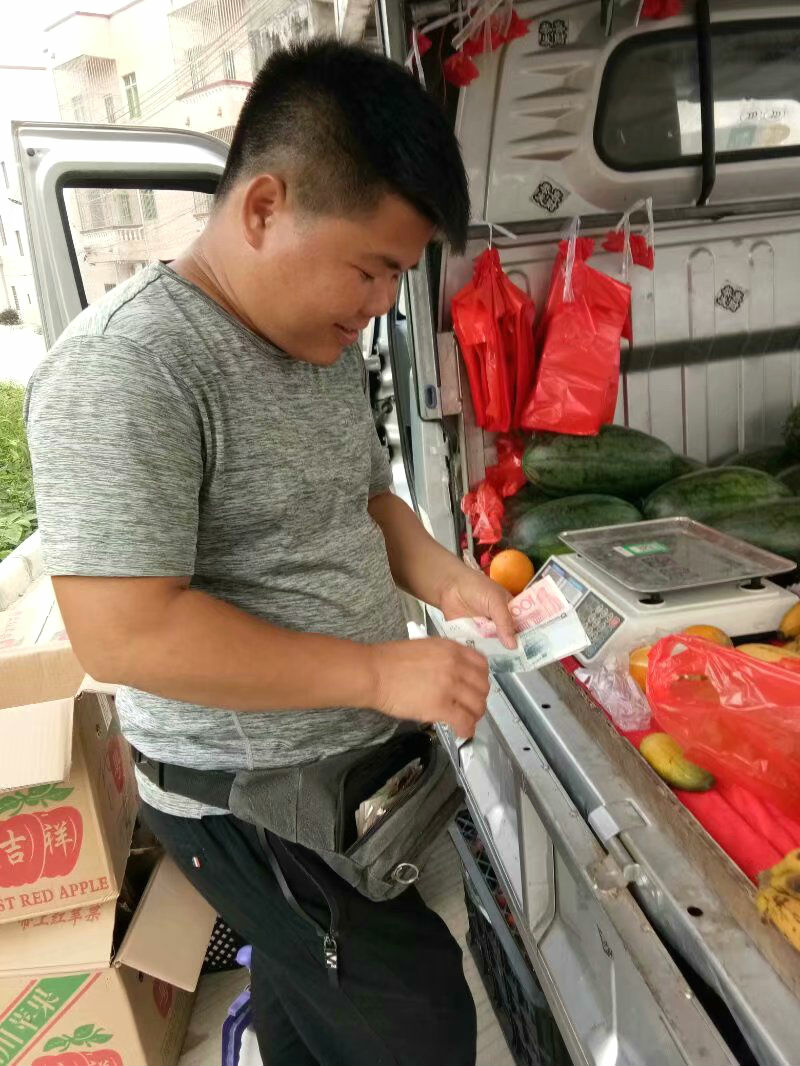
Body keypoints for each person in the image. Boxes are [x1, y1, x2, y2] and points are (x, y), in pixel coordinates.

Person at [25, 39, 516, 1066]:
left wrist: (445, 577)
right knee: (416, 1020)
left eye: (396, 276)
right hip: (252, 798)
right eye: (371, 268)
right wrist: (375, 671)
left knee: (305, 995)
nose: (378, 303)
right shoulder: (127, 369)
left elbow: (363, 500)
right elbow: (124, 633)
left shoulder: (317, 338)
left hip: (345, 768)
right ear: (262, 207)